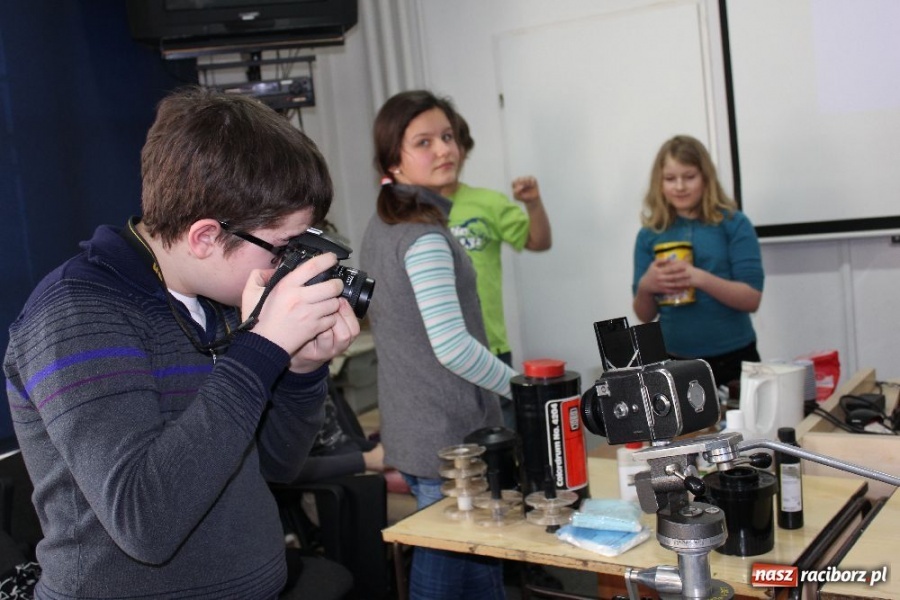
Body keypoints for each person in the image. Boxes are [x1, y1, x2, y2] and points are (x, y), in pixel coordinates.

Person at [3, 86, 360, 599]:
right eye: (286, 247)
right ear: (206, 237)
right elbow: (145, 522)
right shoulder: (75, 313)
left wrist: (302, 369)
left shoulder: (220, 298)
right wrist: (262, 348)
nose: (292, 266)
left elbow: (277, 466)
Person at [360, 90, 517, 600]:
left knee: (476, 562)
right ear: (394, 160)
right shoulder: (422, 235)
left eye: (447, 137)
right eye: (423, 141)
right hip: (445, 437)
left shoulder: (383, 224)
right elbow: (451, 345)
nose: (443, 149)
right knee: (448, 565)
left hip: (418, 428)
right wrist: (523, 387)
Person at [439, 115, 552, 431]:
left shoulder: (487, 202)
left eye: (451, 142)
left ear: (463, 150)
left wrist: (533, 204)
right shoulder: (410, 210)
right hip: (435, 350)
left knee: (504, 441)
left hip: (489, 346)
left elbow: (539, 241)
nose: (444, 152)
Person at [632, 134, 764, 386]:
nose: (680, 186)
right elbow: (644, 315)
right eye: (670, 179)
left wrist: (699, 278)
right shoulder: (649, 234)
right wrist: (647, 286)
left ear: (705, 177)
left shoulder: (734, 224)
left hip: (733, 359)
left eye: (689, 177)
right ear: (659, 183)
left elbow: (752, 298)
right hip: (674, 360)